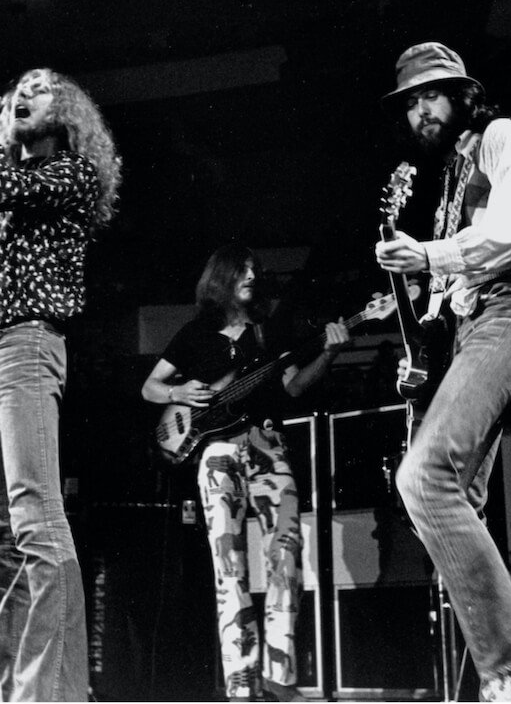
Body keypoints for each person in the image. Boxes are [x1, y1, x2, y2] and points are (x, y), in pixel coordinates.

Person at [0, 68, 122, 701]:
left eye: (40, 88)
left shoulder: (71, 174)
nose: (22, 93)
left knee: (35, 518)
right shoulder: (12, 184)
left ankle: (56, 691)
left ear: (66, 112)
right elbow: (0, 270)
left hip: (25, 349)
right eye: (21, 85)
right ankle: (7, 689)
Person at [375, 42, 511, 702]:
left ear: (463, 96)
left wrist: (429, 254)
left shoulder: (501, 138)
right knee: (451, 509)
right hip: (478, 326)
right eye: (411, 102)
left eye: (432, 94)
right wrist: (421, 349)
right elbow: (449, 298)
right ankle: (483, 689)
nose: (422, 110)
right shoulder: (448, 185)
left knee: (422, 477)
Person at [140, 244, 350, 702]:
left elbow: (293, 385)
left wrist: (329, 355)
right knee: (228, 566)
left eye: (255, 270)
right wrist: (179, 392)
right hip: (215, 452)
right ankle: (241, 680)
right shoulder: (195, 334)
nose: (252, 275)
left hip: (266, 444)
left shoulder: (268, 330)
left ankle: (280, 674)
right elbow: (149, 386)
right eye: (243, 270)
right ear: (222, 278)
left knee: (286, 557)